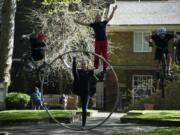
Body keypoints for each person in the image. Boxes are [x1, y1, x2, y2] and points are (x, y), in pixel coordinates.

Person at [74, 5, 117, 73]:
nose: (98, 18)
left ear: (100, 18)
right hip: (98, 41)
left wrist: (113, 10)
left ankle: (105, 67)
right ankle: (96, 66)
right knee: (97, 54)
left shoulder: (103, 23)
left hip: (104, 40)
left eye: (99, 17)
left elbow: (110, 18)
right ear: (96, 18)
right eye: (97, 17)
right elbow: (84, 24)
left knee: (104, 54)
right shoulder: (93, 24)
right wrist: (77, 21)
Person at [72, 57, 98, 128]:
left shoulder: (90, 72)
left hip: (87, 93)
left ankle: (83, 124)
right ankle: (74, 60)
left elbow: (99, 70)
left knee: (84, 109)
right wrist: (73, 61)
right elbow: (72, 69)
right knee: (75, 72)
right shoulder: (79, 71)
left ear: (86, 65)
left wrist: (104, 65)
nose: (83, 65)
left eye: (84, 64)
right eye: (82, 64)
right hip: (79, 91)